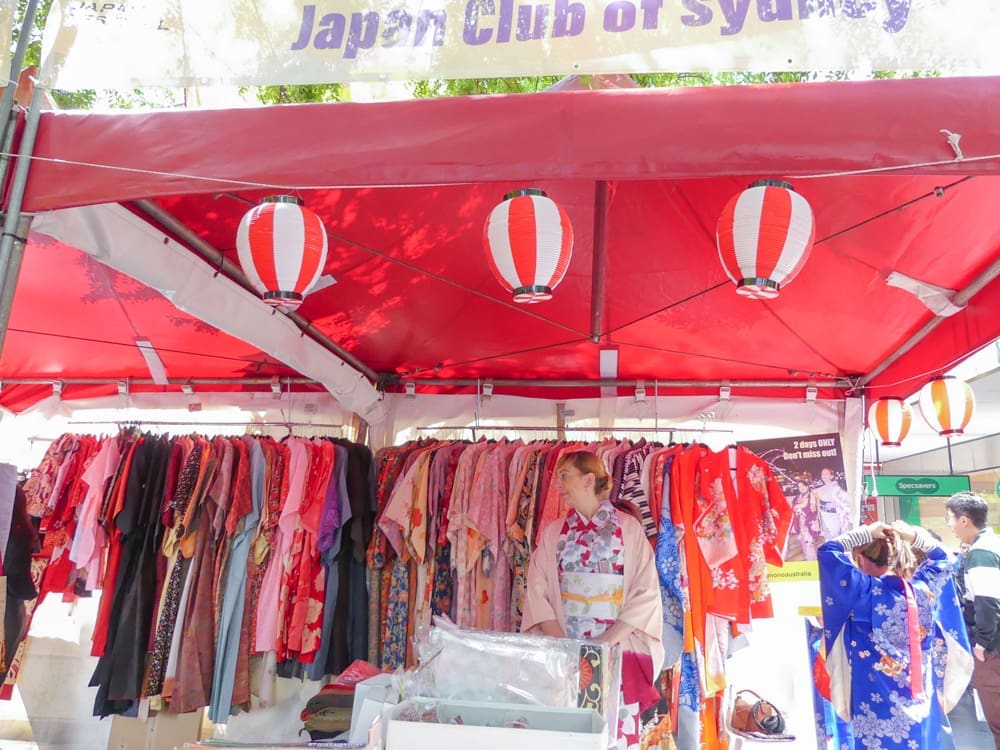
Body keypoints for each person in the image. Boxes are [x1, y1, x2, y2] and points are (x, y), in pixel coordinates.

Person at [522, 450, 664, 750]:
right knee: (566, 733)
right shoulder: (553, 533)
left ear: (588, 480)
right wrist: (566, 646)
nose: (557, 484)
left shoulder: (628, 528)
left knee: (614, 731)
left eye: (564, 476)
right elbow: (537, 591)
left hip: (615, 647)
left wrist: (604, 643)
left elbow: (646, 591)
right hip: (565, 652)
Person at [819, 520, 973, 750]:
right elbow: (943, 559)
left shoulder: (862, 592)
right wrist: (914, 536)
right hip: (921, 701)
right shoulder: (925, 589)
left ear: (860, 559)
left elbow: (828, 552)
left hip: (875, 704)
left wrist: (864, 533)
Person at [946, 491, 1000, 749]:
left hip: (993, 651)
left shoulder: (980, 553)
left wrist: (981, 644)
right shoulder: (992, 544)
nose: (951, 526)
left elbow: (987, 602)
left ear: (964, 520)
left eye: (951, 518)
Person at [790, 477, 824, 560]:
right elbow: (793, 506)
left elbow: (811, 509)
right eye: (799, 487)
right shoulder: (797, 498)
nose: (801, 488)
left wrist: (798, 508)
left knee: (810, 543)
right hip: (801, 522)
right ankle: (808, 559)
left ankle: (813, 561)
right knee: (804, 542)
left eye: (803, 486)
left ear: (807, 486)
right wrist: (799, 507)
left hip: (809, 521)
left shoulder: (812, 496)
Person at [816, 468, 850, 539]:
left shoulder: (836, 488)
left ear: (831, 476)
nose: (824, 476)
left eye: (826, 474)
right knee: (827, 537)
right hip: (824, 516)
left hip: (834, 516)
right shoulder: (820, 489)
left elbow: (847, 500)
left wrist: (837, 505)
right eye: (822, 474)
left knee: (836, 537)